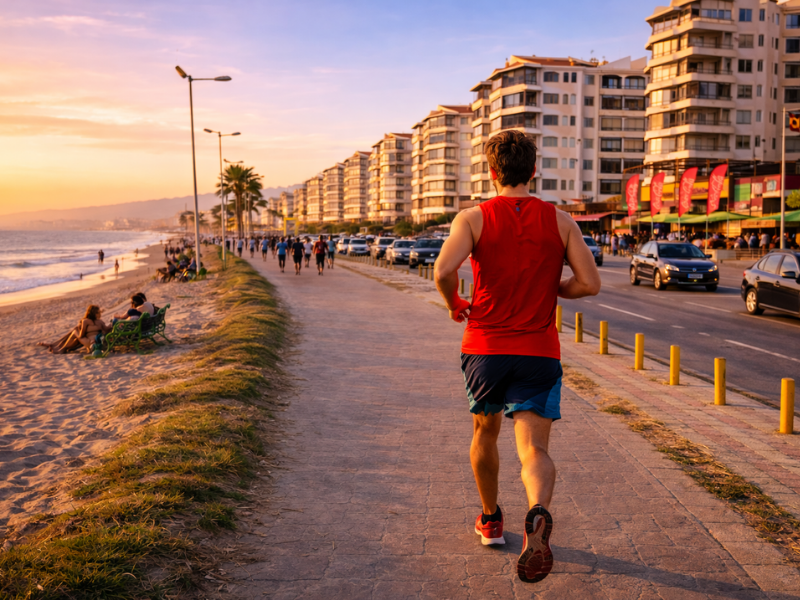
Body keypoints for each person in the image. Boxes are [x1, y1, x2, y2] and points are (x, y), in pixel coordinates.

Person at [433, 130, 600, 584]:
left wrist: (454, 304)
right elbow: (589, 283)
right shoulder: (562, 221)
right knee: (534, 448)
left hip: (485, 346)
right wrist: (555, 289)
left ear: (491, 173)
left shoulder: (473, 217)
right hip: (539, 351)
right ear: (533, 171)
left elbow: (444, 270)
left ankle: (490, 520)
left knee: (484, 434)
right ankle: (538, 513)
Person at [38, 305, 111, 354]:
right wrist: (112, 324)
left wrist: (80, 330)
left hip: (89, 343)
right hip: (97, 342)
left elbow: (82, 335)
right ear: (93, 314)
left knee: (74, 331)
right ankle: (57, 346)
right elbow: (107, 330)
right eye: (98, 313)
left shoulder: (85, 321)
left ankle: (61, 349)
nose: (100, 314)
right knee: (76, 333)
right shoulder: (100, 322)